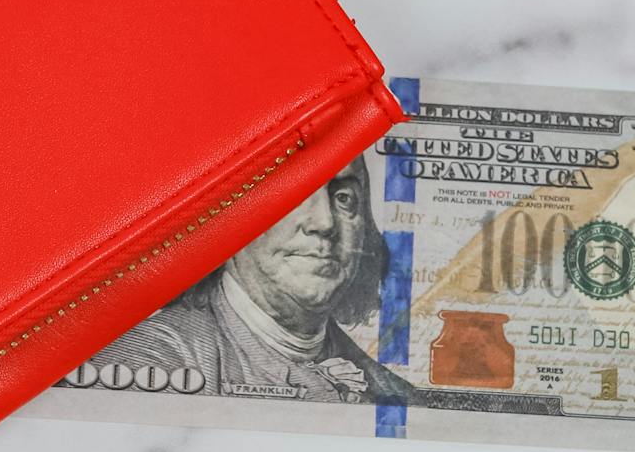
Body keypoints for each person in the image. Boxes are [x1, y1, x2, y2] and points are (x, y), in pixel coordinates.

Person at [91, 156, 410, 404]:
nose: (325, 223)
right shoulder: (144, 358)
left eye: (344, 198)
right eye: (296, 189)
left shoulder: (396, 395)